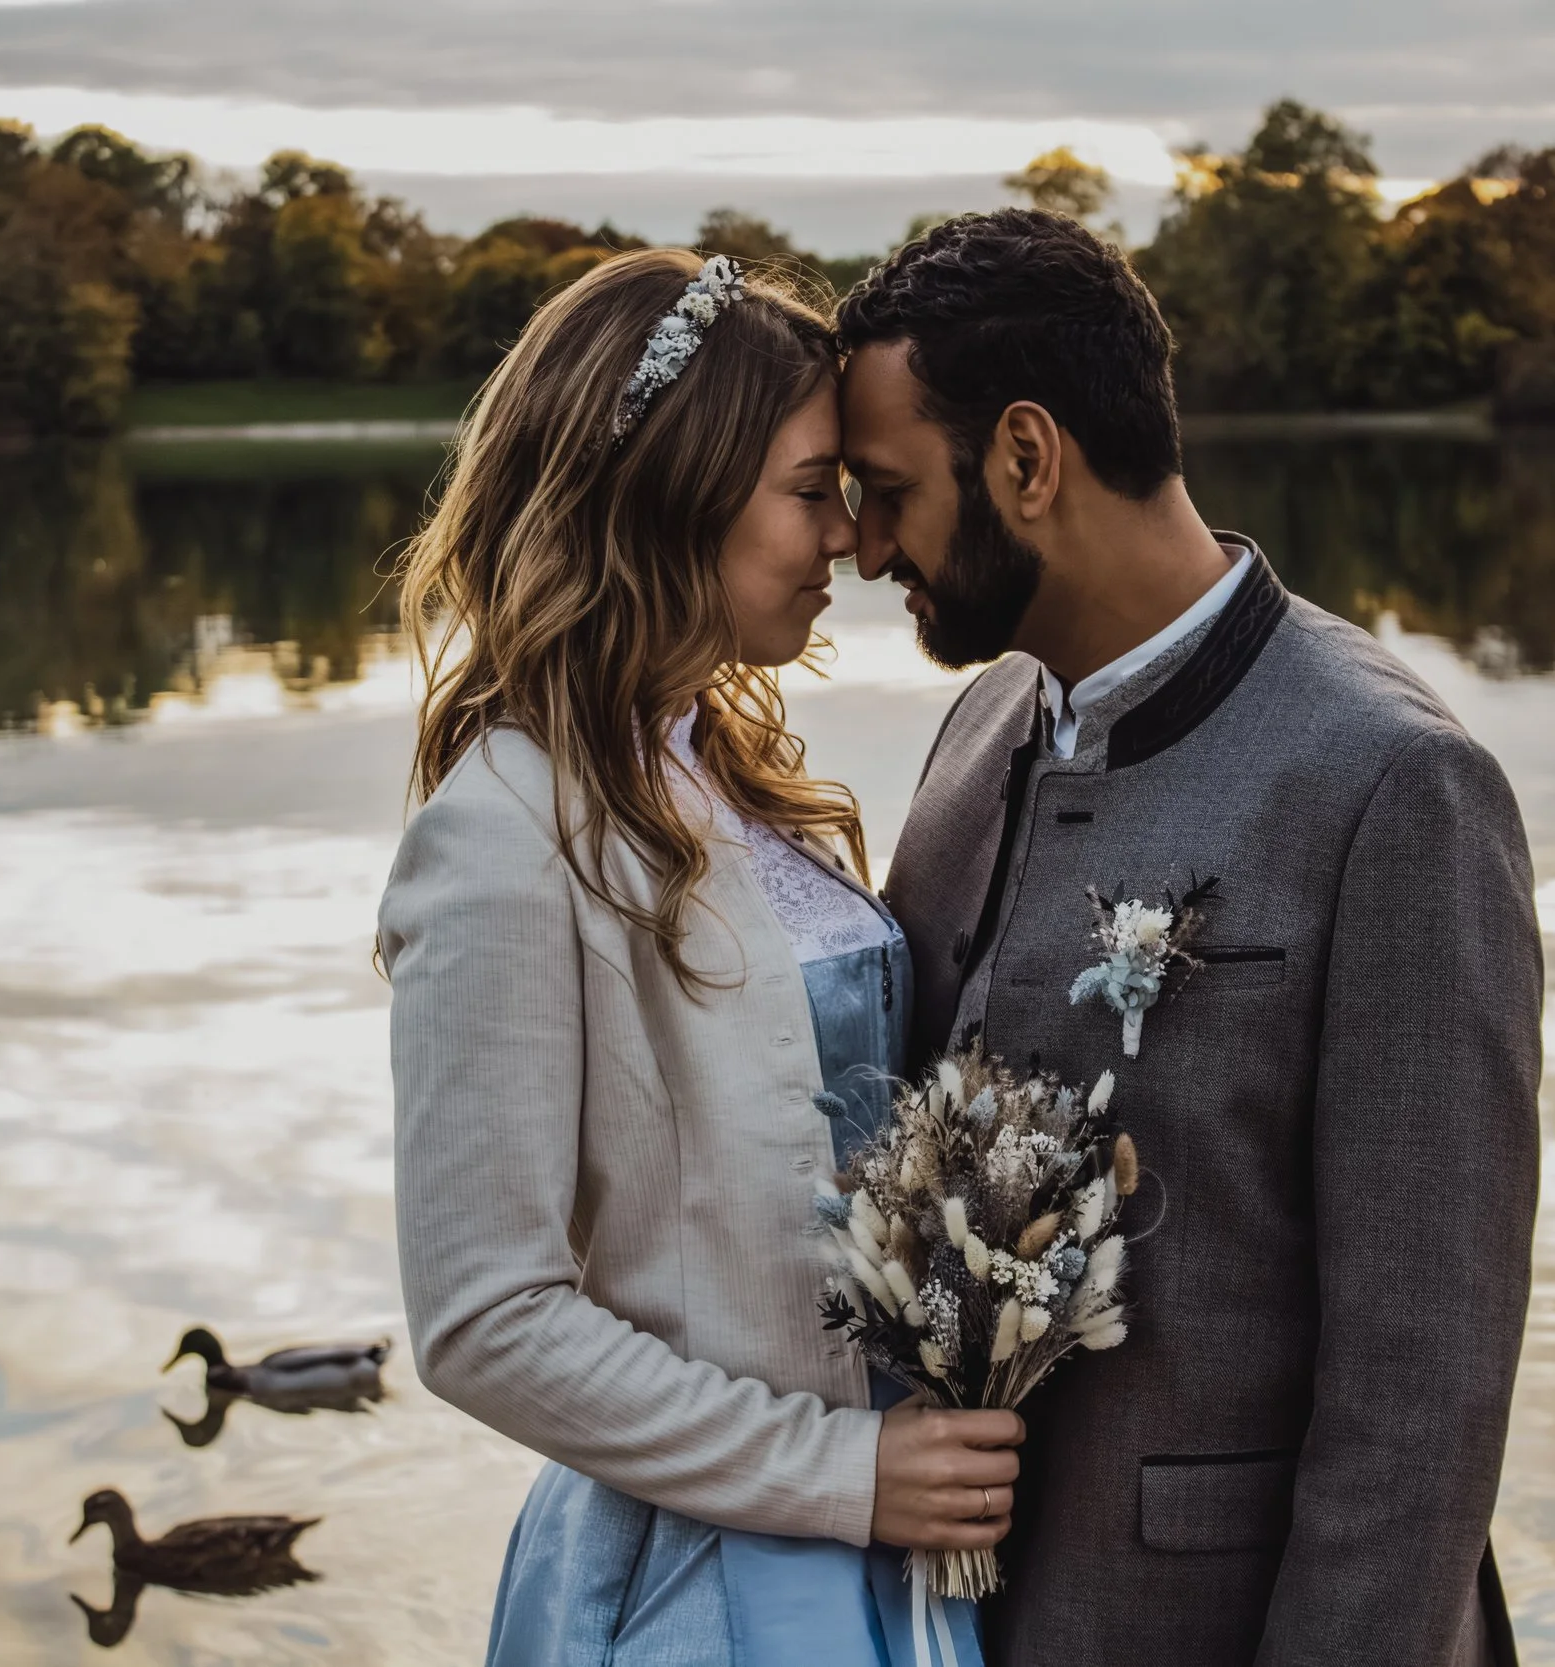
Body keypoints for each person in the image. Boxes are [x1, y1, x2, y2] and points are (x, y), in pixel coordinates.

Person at [841, 209, 1543, 1666]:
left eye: (887, 490)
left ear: (1028, 460)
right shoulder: (984, 723)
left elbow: (1424, 1383)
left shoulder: (1395, 784)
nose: (859, 546)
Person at [378, 248, 1005, 1666]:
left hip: (882, 1560)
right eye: (807, 488)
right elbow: (485, 1318)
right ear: (671, 492)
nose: (846, 535)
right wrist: (843, 1475)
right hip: (705, 1582)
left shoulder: (721, 778)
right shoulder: (501, 832)